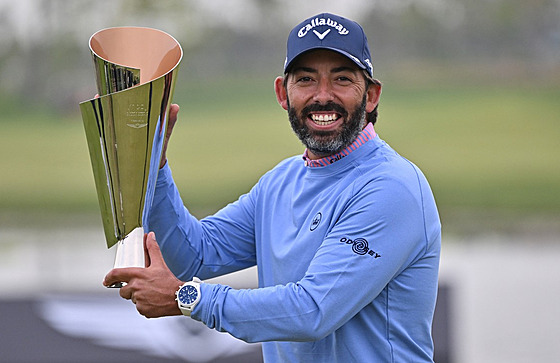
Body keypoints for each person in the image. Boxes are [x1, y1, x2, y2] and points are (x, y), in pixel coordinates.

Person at [104, 12, 441, 363]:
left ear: (371, 96)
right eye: (306, 79)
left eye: (342, 79)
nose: (322, 96)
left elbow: (313, 311)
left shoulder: (390, 187)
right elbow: (196, 255)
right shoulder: (280, 183)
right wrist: (153, 167)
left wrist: (185, 298)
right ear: (283, 92)